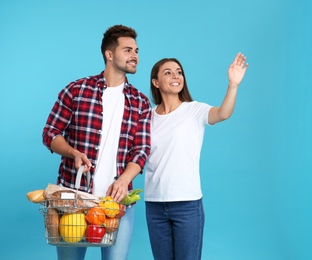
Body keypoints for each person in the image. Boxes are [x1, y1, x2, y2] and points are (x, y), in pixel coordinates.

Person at [42, 24, 151, 260]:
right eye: (128, 50)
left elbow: (141, 150)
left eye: (136, 50)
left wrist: (125, 179)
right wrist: (73, 152)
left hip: (116, 204)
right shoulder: (77, 90)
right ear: (109, 54)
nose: (135, 56)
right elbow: (50, 133)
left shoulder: (140, 102)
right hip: (74, 198)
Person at [145, 53, 249, 260]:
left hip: (187, 204)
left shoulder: (193, 110)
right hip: (154, 203)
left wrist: (233, 85)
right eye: (168, 72)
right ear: (155, 82)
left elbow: (223, 113)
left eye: (179, 72)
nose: (176, 76)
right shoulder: (147, 116)